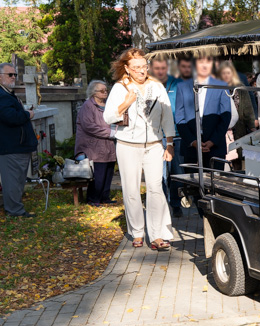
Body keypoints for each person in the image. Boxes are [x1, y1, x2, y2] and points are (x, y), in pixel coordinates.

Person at [103, 48, 176, 250]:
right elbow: (108, 118)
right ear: (126, 68)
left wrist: (169, 144)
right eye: (136, 68)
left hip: (154, 145)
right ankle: (136, 231)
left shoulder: (157, 87)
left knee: (155, 188)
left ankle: (158, 234)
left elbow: (167, 117)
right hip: (127, 145)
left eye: (144, 66)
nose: (141, 71)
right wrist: (125, 103)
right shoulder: (120, 88)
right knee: (131, 190)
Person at [174, 57, 232, 171]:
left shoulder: (221, 85)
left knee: (214, 184)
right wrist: (193, 141)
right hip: (191, 146)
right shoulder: (182, 86)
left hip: (215, 146)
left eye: (208, 62)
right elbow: (180, 118)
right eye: (201, 62)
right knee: (192, 185)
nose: (205, 65)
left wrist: (212, 141)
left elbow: (226, 116)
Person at [0, 62, 37, 218]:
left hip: (18, 145)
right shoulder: (2, 95)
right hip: (12, 146)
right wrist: (27, 114)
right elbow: (10, 117)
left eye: (15, 74)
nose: (13, 77)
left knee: (17, 179)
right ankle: (14, 211)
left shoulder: (8, 93)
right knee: (13, 181)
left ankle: (14, 207)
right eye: (10, 75)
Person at [150, 57, 184, 217]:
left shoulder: (177, 84)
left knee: (177, 173)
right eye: (157, 68)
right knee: (159, 175)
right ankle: (162, 206)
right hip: (155, 137)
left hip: (176, 135)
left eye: (163, 68)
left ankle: (176, 204)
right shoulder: (147, 86)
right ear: (151, 69)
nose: (160, 71)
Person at [74, 80, 117, 206]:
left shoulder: (107, 105)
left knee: (108, 171)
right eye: (102, 91)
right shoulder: (88, 106)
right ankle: (93, 199)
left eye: (106, 90)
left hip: (108, 145)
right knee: (98, 173)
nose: (105, 93)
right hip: (93, 146)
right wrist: (110, 133)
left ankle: (105, 197)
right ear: (94, 92)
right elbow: (89, 127)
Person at [218, 61, 256, 170]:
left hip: (239, 127)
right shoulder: (216, 87)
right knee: (225, 157)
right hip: (223, 129)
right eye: (223, 73)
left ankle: (239, 179)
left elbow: (247, 108)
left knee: (238, 157)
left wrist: (252, 125)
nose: (226, 75)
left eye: (228, 73)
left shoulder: (240, 87)